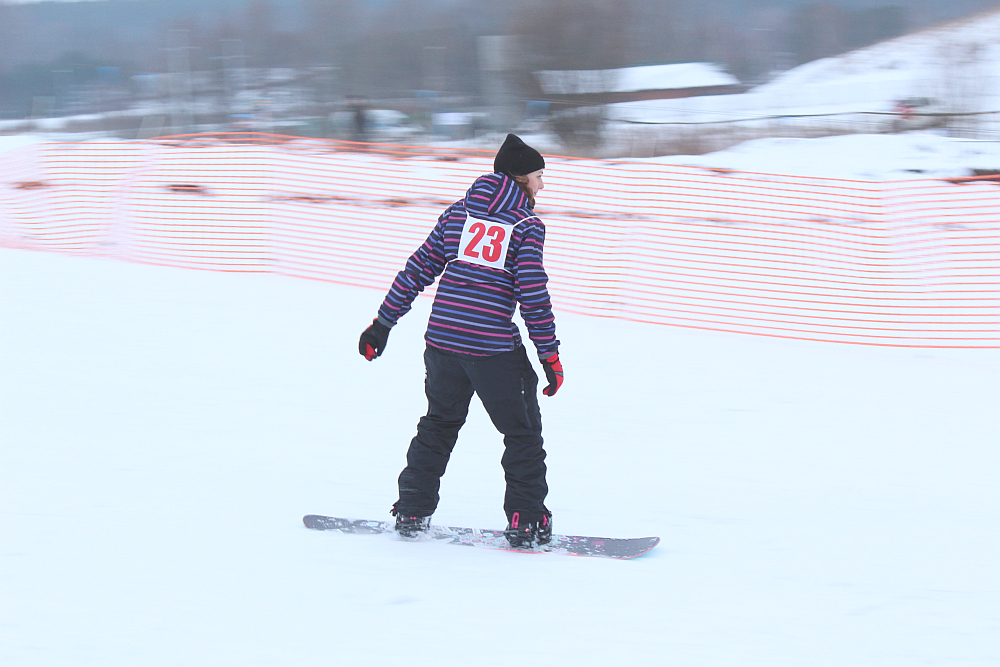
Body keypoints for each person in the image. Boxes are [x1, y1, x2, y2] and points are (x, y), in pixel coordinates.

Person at [358, 133, 564, 548]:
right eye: (539, 176)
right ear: (520, 177)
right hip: (492, 349)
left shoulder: (459, 212)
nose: (543, 185)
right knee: (522, 433)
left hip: (443, 342)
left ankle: (412, 508)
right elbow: (533, 294)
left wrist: (382, 324)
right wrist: (550, 356)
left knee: (439, 423)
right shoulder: (526, 226)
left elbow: (417, 269)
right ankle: (526, 521)